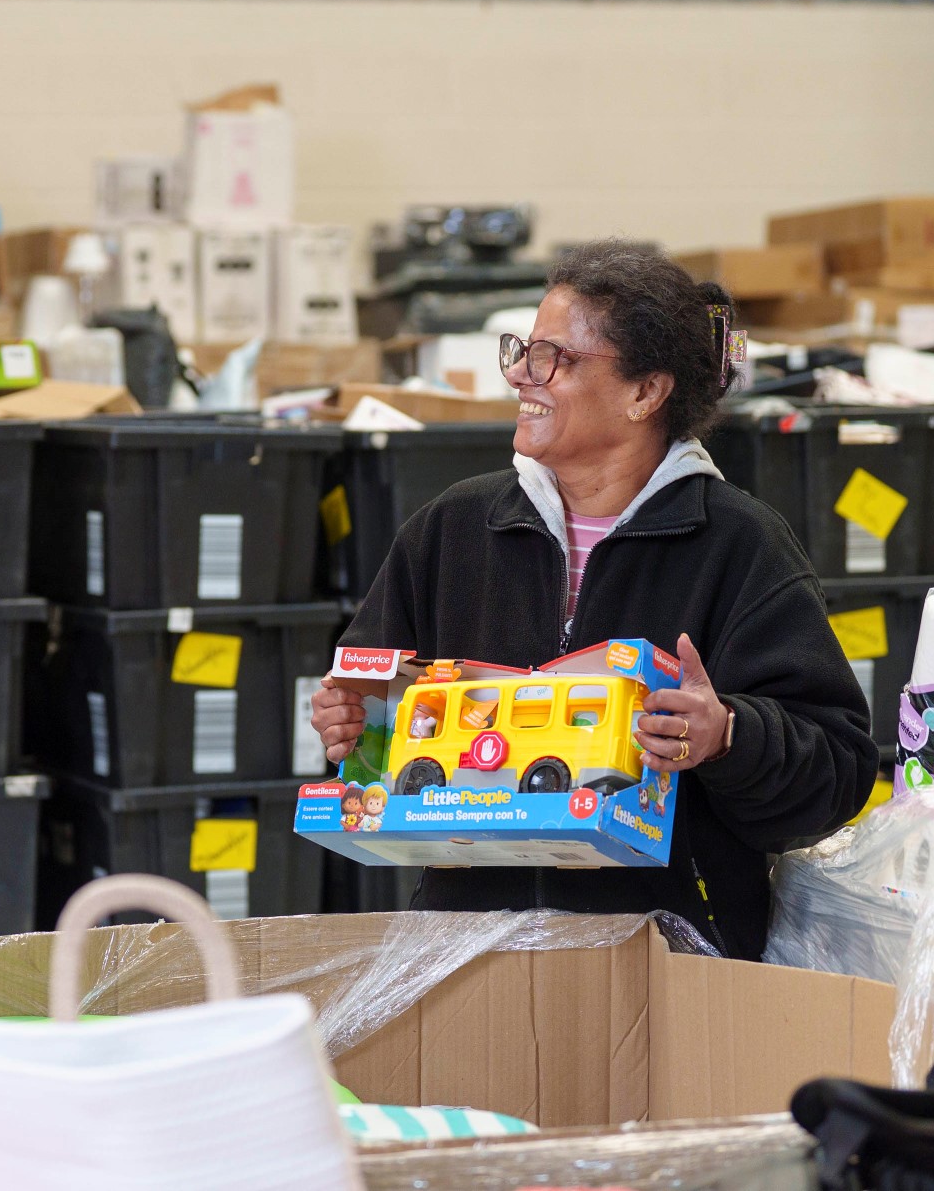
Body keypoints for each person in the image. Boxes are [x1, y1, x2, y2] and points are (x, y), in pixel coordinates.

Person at [310, 241, 876, 959]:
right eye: (522, 350)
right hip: (469, 955)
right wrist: (352, 721)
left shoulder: (741, 545)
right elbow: (372, 713)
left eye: (555, 358)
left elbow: (837, 776)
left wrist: (728, 736)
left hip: (668, 963)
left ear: (646, 393)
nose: (520, 374)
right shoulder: (452, 528)